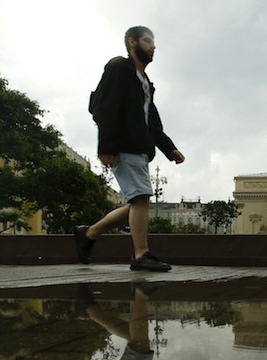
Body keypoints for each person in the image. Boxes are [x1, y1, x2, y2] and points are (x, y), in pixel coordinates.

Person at [74, 26, 185, 271]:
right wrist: (106, 145)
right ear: (133, 43)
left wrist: (169, 148)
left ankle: (89, 233)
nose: (153, 46)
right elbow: (105, 106)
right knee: (141, 197)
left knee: (138, 200)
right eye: (148, 41)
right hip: (123, 145)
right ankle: (140, 255)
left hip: (139, 147)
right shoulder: (119, 68)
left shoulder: (144, 82)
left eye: (153, 42)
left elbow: (151, 120)